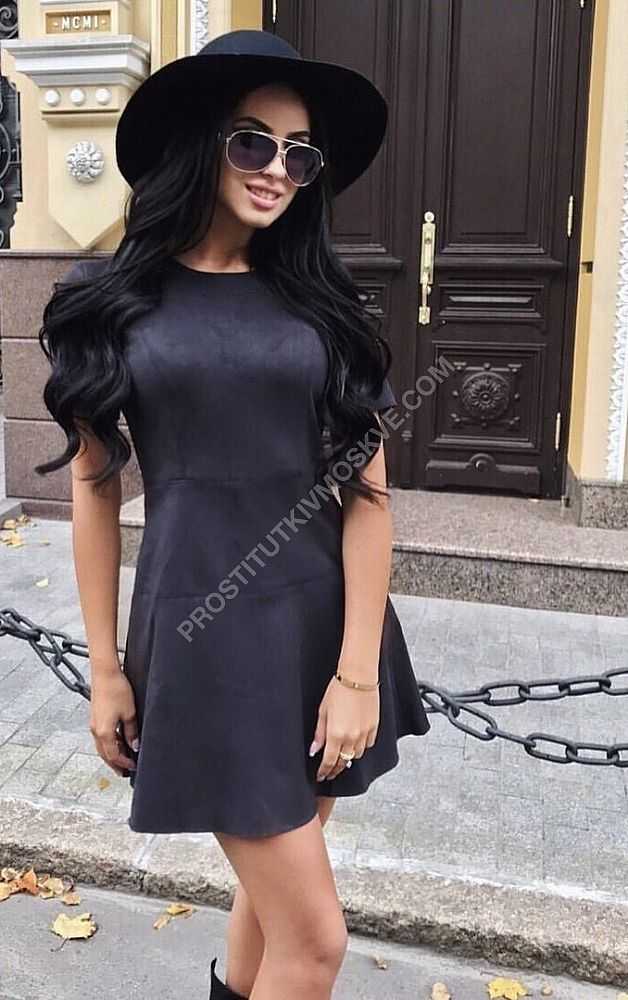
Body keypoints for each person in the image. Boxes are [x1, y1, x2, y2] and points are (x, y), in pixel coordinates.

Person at [36, 28, 431, 1000]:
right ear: (202, 143)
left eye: (301, 155)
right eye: (254, 141)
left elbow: (367, 496)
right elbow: (94, 487)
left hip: (324, 630)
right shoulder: (110, 300)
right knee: (317, 942)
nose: (277, 170)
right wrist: (103, 670)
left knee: (272, 917)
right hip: (204, 640)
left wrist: (356, 673)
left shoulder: (322, 306)